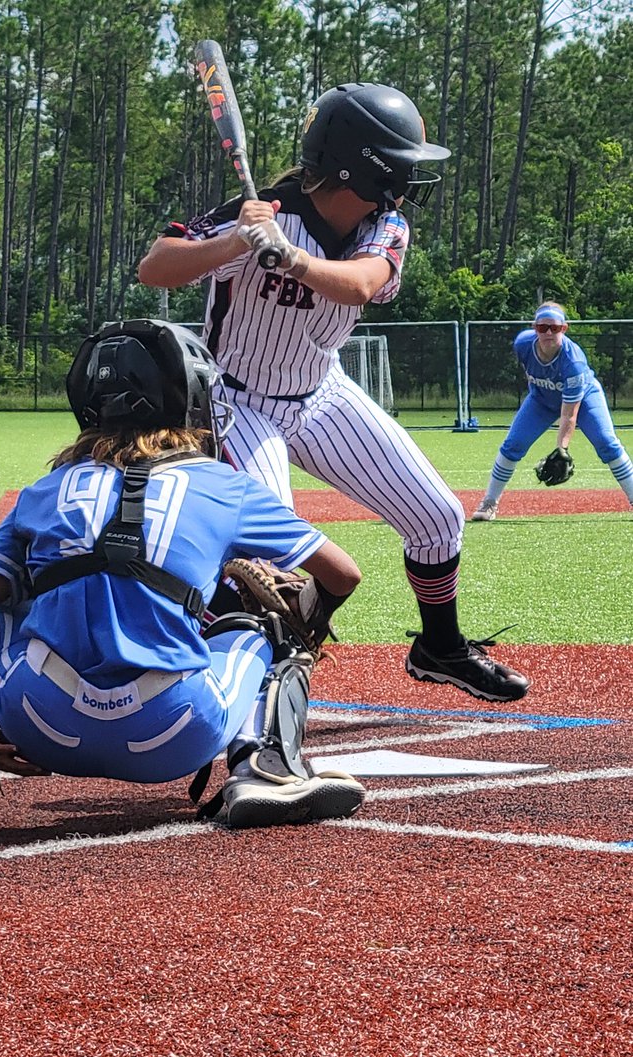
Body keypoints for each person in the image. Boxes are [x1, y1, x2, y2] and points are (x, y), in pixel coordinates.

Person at [0, 319, 366, 830]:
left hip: (36, 725)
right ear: (189, 400)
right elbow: (343, 575)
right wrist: (306, 614)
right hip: (174, 733)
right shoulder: (226, 486)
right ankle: (262, 771)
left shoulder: (44, 490)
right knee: (272, 621)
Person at [138, 83, 529, 704]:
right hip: (237, 405)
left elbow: (361, 285)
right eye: (401, 162)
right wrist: (234, 243)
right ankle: (230, 683)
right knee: (270, 563)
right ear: (363, 166)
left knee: (437, 518)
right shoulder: (263, 210)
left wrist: (287, 258)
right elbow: (155, 266)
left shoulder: (386, 224)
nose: (410, 178)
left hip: (321, 393)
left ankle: (439, 647)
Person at [472, 302, 633, 520]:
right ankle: (489, 503)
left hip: (584, 399)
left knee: (606, 442)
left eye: (554, 328)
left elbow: (569, 414)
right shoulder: (522, 344)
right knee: (513, 445)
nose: (548, 333)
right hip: (541, 400)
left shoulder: (573, 361)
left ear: (564, 329)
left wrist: (562, 449)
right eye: (542, 327)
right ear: (534, 328)